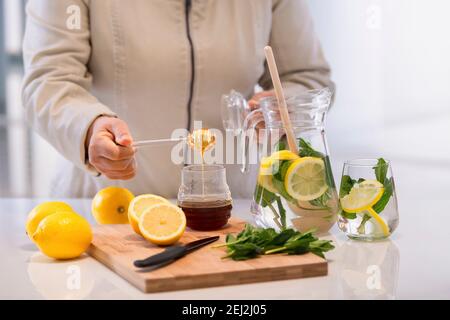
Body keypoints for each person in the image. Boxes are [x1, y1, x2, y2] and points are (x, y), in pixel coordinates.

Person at [22, 0, 332, 198]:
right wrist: (88, 127)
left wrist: (282, 106)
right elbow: (49, 80)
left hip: (229, 210)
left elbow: (307, 77)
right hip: (108, 207)